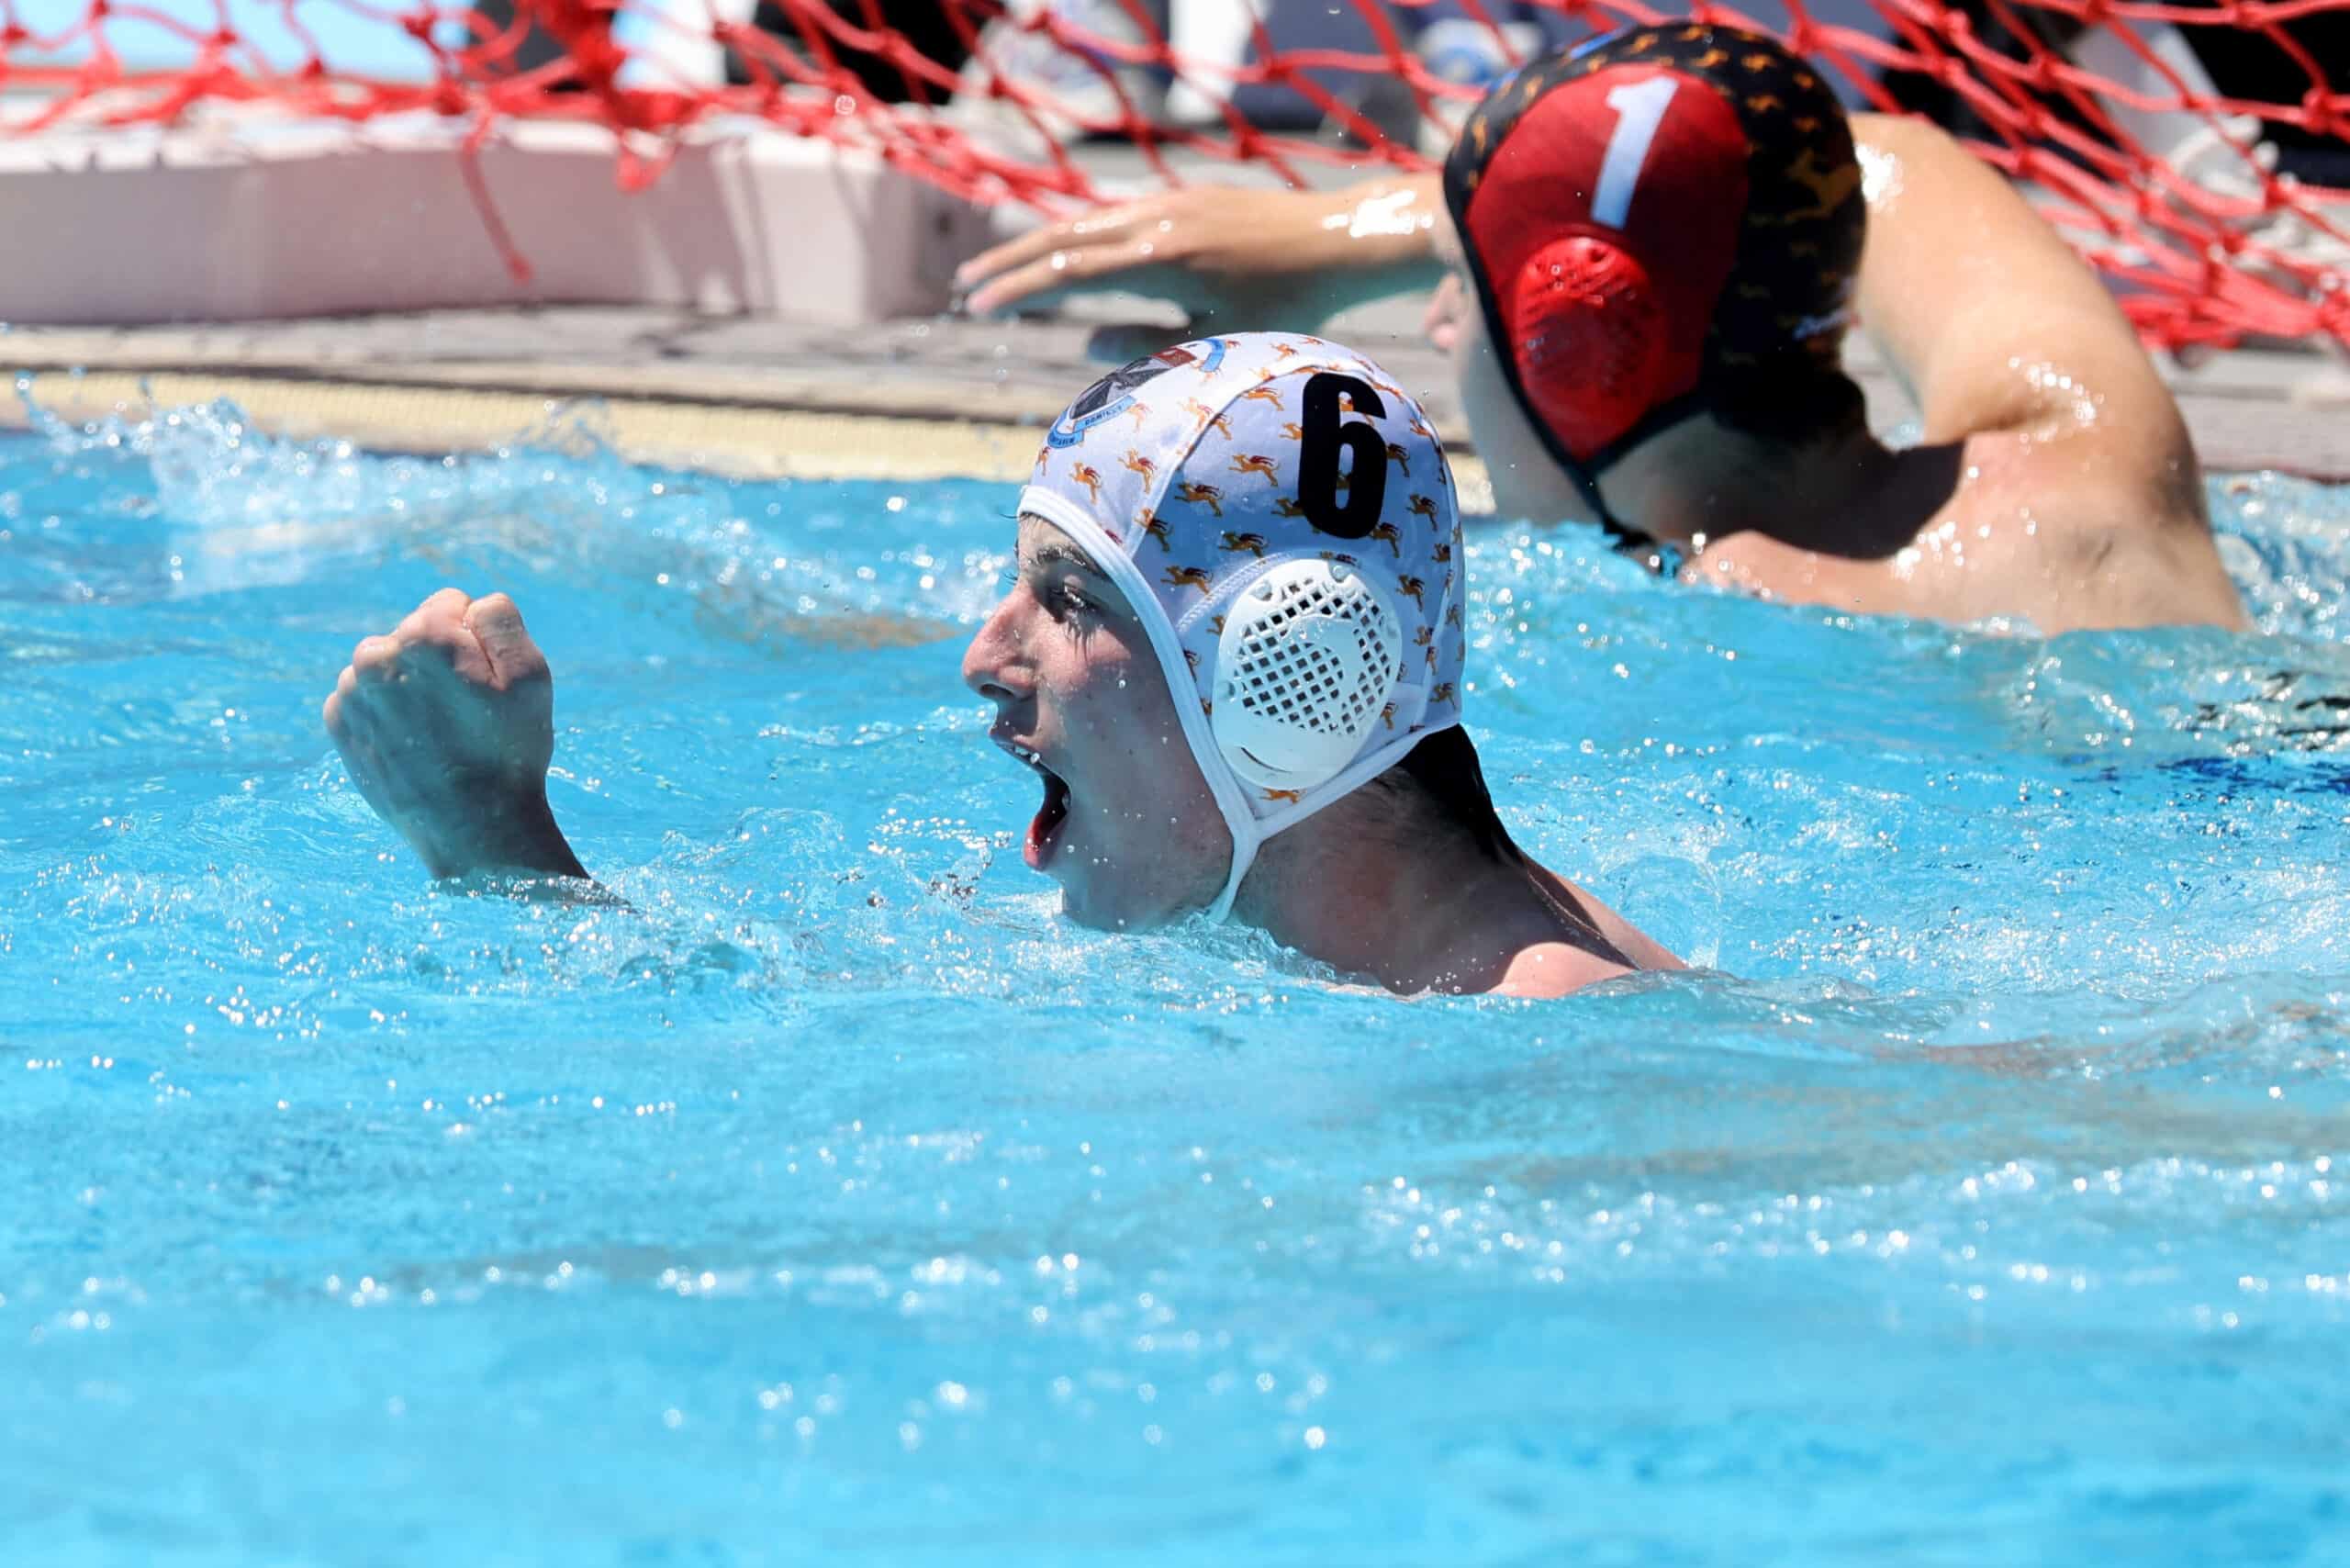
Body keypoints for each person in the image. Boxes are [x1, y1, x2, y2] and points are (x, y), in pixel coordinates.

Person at [321, 332, 1680, 997]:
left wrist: (490, 849)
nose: (984, 656)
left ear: (1288, 679)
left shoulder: (1545, 1049)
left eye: (1069, 602)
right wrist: (508, 850)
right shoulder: (1409, 965)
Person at [955, 24, 2250, 634]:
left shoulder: (1700, 625)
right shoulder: (2094, 472)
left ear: (1576, 356)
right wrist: (1461, 212)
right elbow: (1879, 157)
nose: (1443, 309)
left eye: (1463, 273)